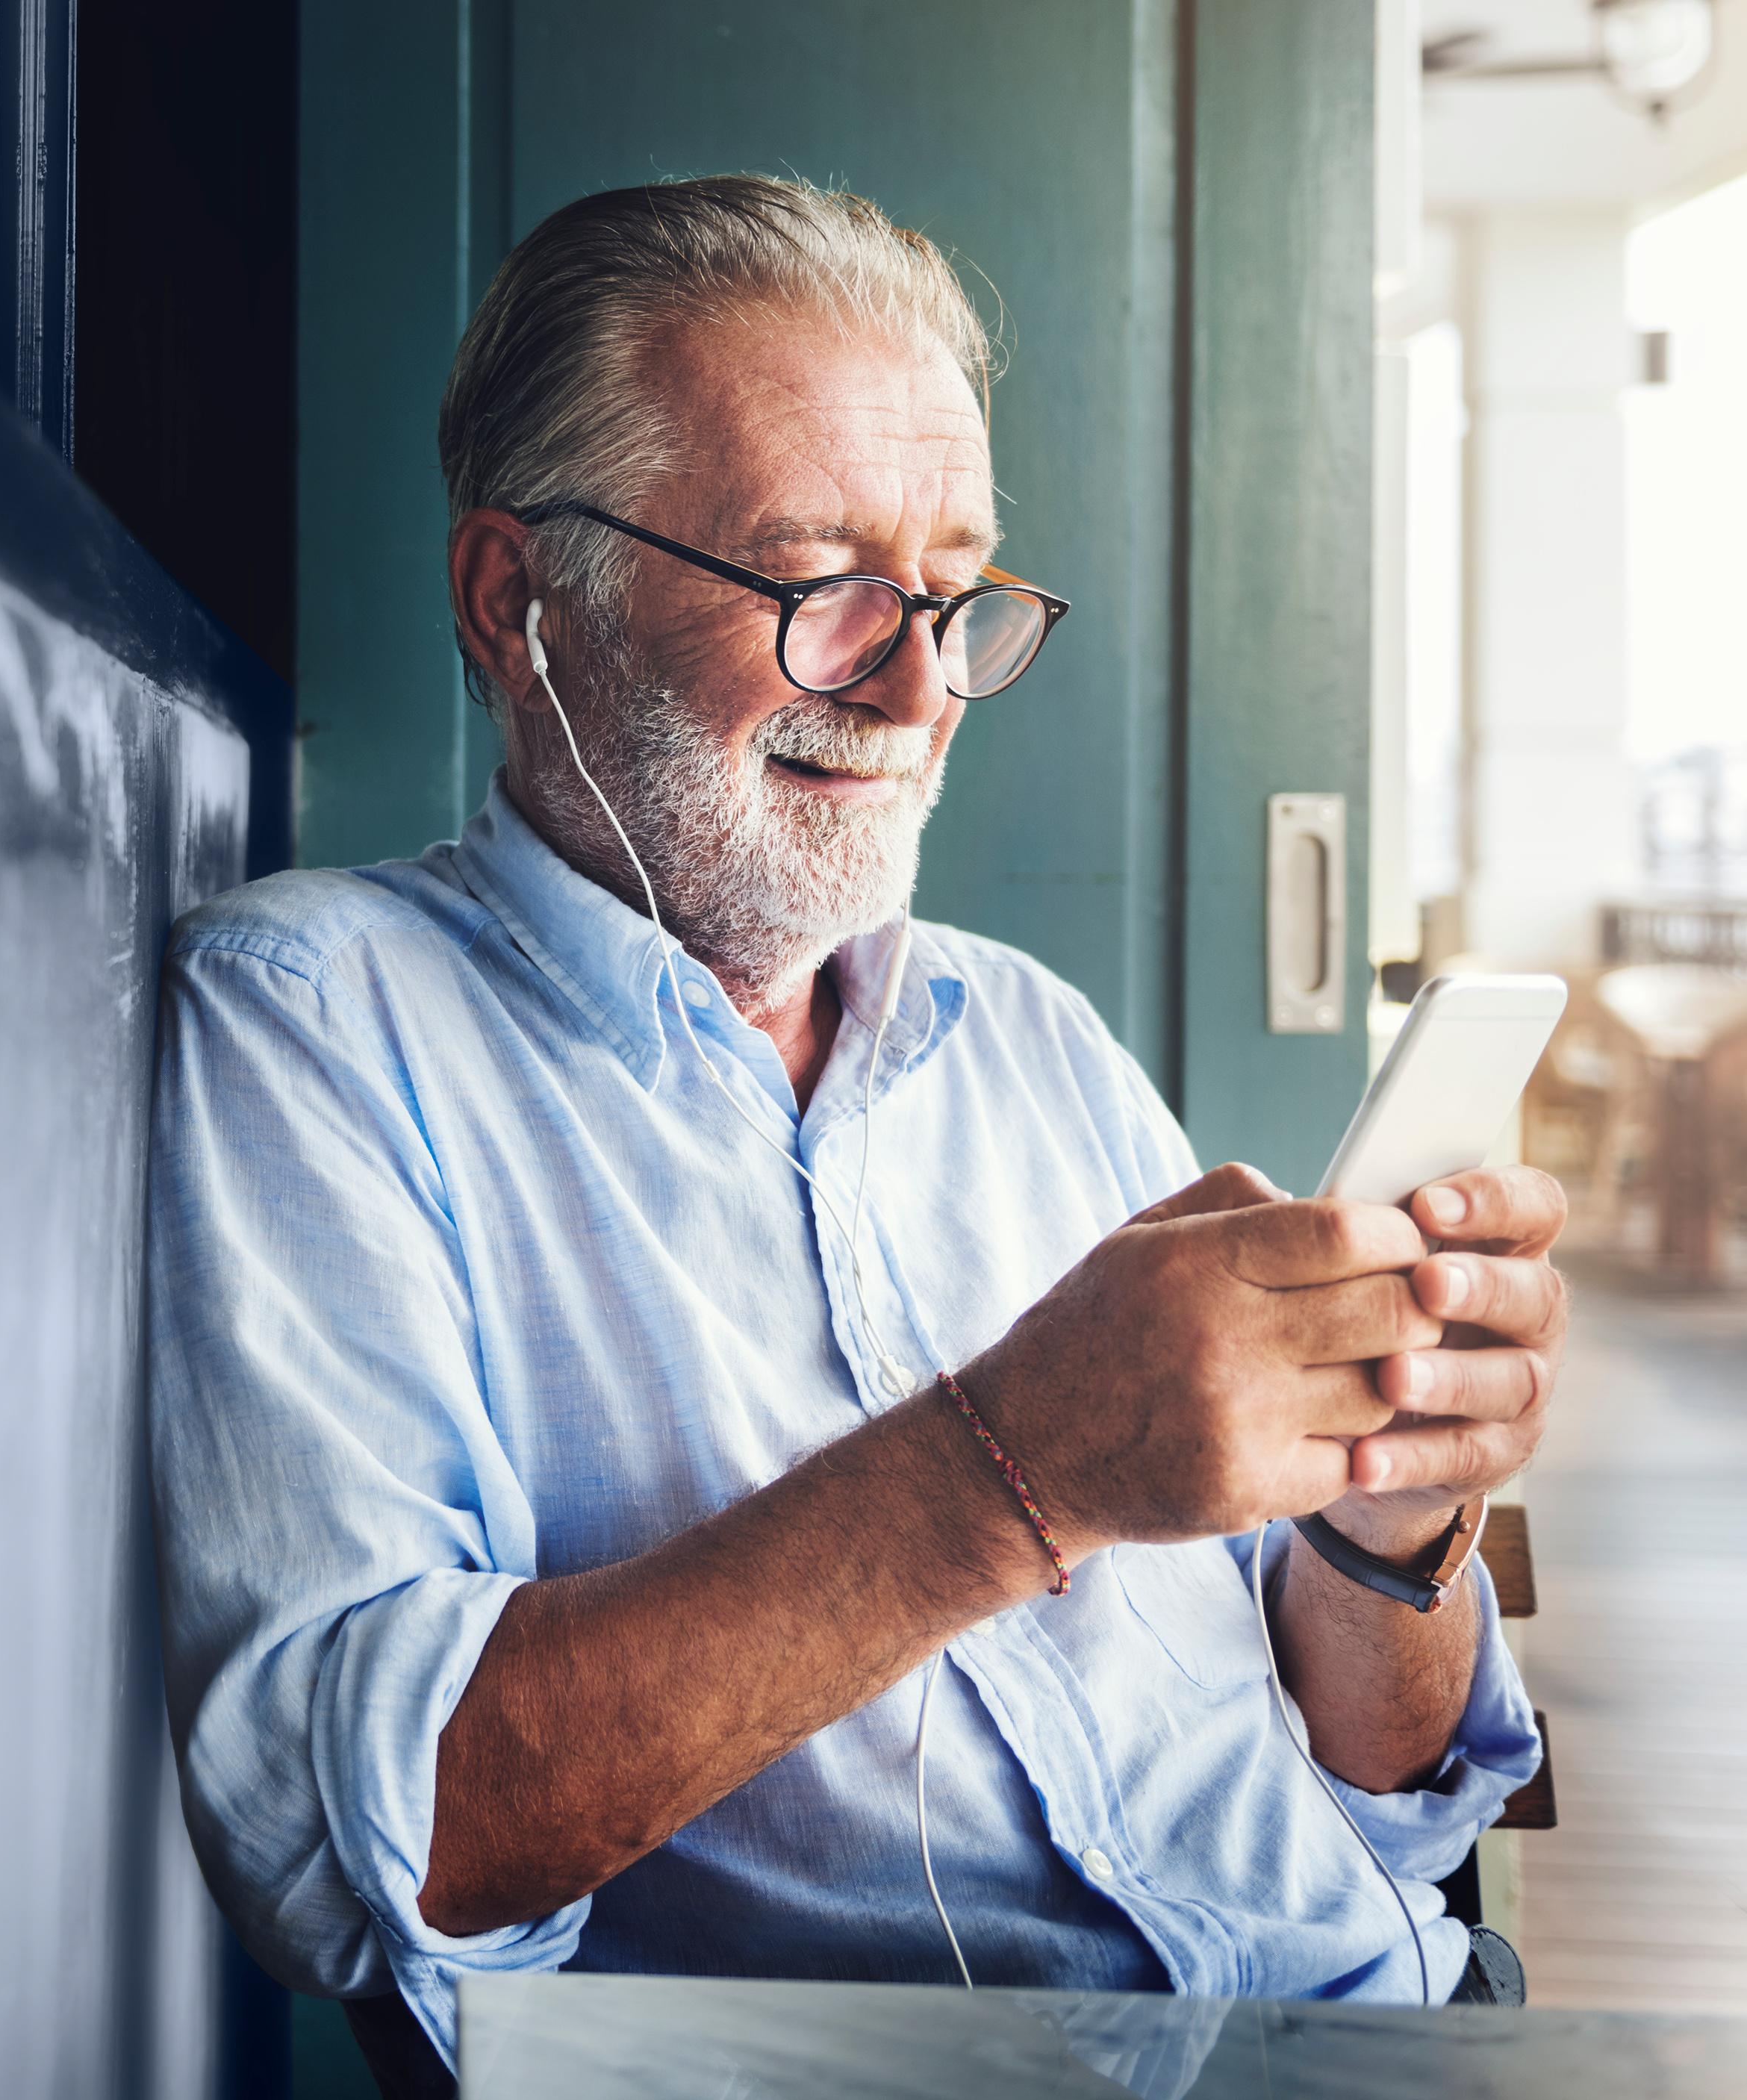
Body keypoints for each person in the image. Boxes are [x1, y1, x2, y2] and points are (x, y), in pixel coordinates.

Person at [146, 177, 1553, 2092]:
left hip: (1377, 2033)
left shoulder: (1025, 1035)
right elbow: (353, 1860)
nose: (916, 689)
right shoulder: (318, 1019)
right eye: (819, 588)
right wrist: (1016, 1462)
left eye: (954, 596)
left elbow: (1386, 1787)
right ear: (515, 600)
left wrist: (1389, 1537)